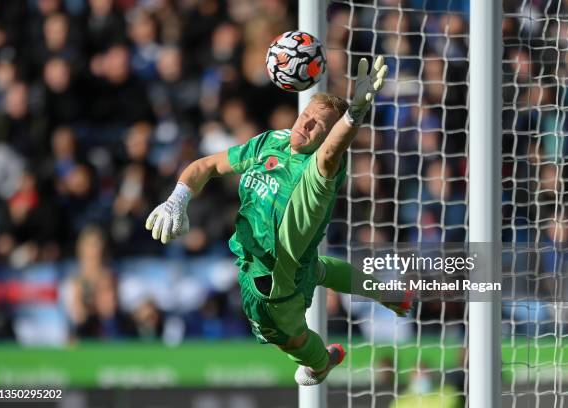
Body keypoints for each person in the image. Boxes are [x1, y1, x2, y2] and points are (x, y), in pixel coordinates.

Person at [145, 56, 411, 385]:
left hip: (270, 285)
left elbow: (331, 152)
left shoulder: (319, 172)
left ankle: (321, 361)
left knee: (290, 339)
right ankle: (389, 294)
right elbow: (208, 165)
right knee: (318, 269)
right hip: (295, 261)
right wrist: (177, 200)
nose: (305, 125)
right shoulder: (272, 142)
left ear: (327, 137)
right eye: (305, 116)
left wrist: (354, 115)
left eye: (317, 126)